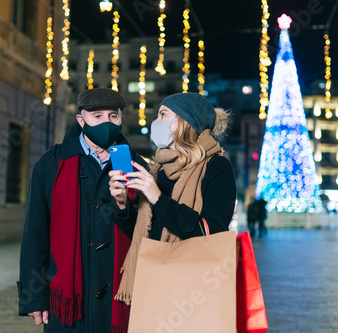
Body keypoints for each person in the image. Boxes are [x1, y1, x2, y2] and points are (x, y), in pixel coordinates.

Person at [17, 88, 148, 332]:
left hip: (120, 298)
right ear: (81, 119)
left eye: (113, 116)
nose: (106, 123)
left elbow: (144, 233)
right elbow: (35, 233)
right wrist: (33, 297)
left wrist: (123, 205)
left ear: (120, 119)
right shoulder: (51, 163)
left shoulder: (137, 165)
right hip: (65, 302)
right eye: (97, 116)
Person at [109, 92, 237, 305]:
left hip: (194, 290)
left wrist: (158, 198)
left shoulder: (217, 167)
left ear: (184, 122)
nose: (155, 121)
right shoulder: (157, 169)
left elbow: (210, 233)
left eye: (162, 115)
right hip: (151, 282)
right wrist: (122, 204)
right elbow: (142, 231)